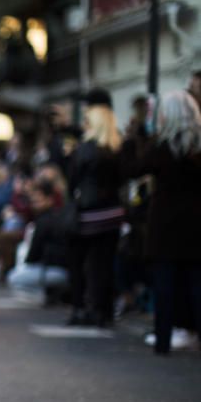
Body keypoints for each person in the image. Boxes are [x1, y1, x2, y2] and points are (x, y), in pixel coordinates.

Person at [121, 90, 201, 354]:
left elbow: (133, 169)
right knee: (195, 282)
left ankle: (163, 337)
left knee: (164, 283)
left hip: (165, 223)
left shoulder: (162, 146)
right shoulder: (196, 147)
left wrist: (132, 140)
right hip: (195, 222)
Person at [65, 88, 124, 327]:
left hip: (88, 214)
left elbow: (72, 182)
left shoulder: (84, 149)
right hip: (113, 212)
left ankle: (81, 308)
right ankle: (103, 311)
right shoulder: (117, 146)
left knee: (79, 263)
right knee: (105, 264)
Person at [7, 179, 69, 301]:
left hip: (57, 271)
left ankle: (45, 292)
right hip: (62, 269)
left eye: (38, 201)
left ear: (49, 199)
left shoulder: (44, 220)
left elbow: (34, 254)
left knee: (13, 277)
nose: (35, 204)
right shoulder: (59, 215)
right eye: (33, 201)